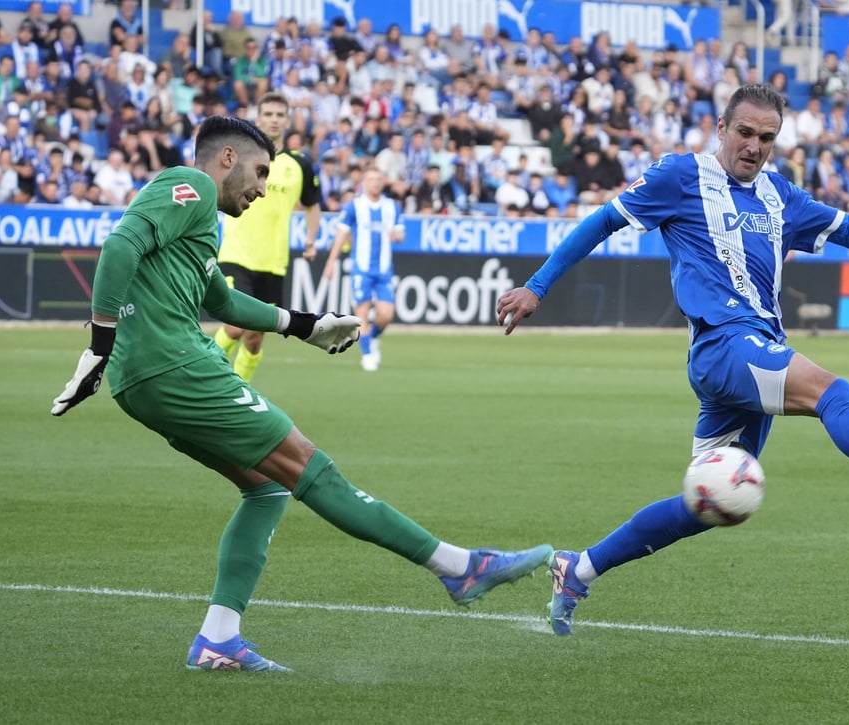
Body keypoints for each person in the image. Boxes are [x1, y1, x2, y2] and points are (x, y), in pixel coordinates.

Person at [49, 115, 552, 672]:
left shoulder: (201, 224)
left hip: (144, 383)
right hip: (175, 367)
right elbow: (119, 246)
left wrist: (306, 325)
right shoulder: (184, 187)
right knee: (313, 469)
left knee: (265, 490)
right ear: (225, 159)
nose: (265, 188)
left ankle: (219, 639)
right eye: (261, 172)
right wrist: (98, 344)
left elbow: (224, 303)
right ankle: (458, 567)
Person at [495, 84, 849, 636]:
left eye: (767, 138)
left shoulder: (779, 195)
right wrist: (536, 287)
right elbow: (602, 222)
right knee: (829, 390)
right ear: (722, 129)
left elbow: (848, 230)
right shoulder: (679, 176)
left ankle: (576, 568)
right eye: (745, 132)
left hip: (750, 348)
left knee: (705, 502)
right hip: (723, 344)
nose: (754, 146)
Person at [212, 93, 321, 383]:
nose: (274, 119)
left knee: (255, 339)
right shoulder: (239, 156)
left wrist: (311, 240)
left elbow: (313, 205)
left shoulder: (299, 165)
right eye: (268, 114)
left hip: (273, 263)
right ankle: (198, 376)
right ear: (258, 117)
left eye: (279, 115)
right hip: (237, 255)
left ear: (287, 120)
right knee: (236, 325)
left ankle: (236, 394)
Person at [323, 167, 404, 372]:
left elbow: (400, 233)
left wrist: (397, 235)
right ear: (364, 182)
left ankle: (372, 338)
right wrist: (331, 262)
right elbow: (341, 235)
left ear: (383, 182)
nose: (375, 182)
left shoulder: (392, 206)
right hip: (362, 269)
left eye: (378, 179)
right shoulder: (354, 206)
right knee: (362, 312)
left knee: (386, 315)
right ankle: (367, 355)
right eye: (371, 179)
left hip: (384, 270)